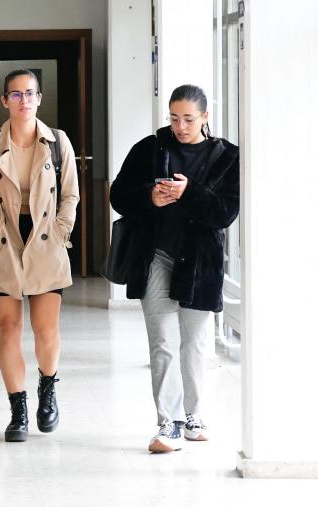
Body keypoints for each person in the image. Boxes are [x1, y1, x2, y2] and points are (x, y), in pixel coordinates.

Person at [110, 84, 239, 453]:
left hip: (201, 263)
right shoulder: (149, 149)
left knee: (195, 344)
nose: (180, 126)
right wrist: (149, 196)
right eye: (173, 118)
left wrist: (189, 192)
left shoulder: (227, 156)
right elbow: (118, 195)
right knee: (163, 343)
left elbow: (224, 213)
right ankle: (168, 423)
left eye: (188, 119)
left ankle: (195, 415)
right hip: (155, 256)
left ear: (205, 117)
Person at [0, 69, 79, 443]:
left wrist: (62, 231)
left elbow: (71, 196)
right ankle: (17, 409)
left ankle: (47, 389)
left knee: (46, 330)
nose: (23, 101)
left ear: (39, 98)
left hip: (46, 240)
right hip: (6, 240)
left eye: (29, 94)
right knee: (7, 328)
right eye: (15, 95)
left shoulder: (57, 141)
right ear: (4, 101)